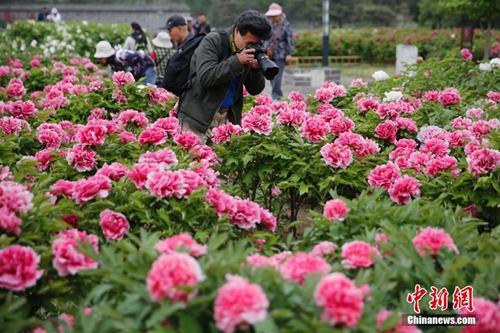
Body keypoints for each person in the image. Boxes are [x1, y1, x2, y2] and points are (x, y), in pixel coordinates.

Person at [177, 10, 272, 141]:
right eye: (249, 42)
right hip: (198, 117)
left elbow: (255, 90)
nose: (253, 46)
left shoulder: (246, 51)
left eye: (257, 43)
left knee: (222, 161)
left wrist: (255, 70)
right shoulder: (213, 41)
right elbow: (206, 77)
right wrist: (237, 61)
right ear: (237, 30)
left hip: (227, 117)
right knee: (198, 160)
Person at [264, 3, 294, 100]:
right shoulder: (268, 23)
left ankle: (275, 96)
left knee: (278, 75)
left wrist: (289, 53)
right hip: (269, 54)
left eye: (275, 15)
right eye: (271, 15)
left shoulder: (286, 24)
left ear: (280, 14)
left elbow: (289, 39)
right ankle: (278, 94)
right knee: (271, 74)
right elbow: (265, 38)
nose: (273, 17)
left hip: (281, 54)